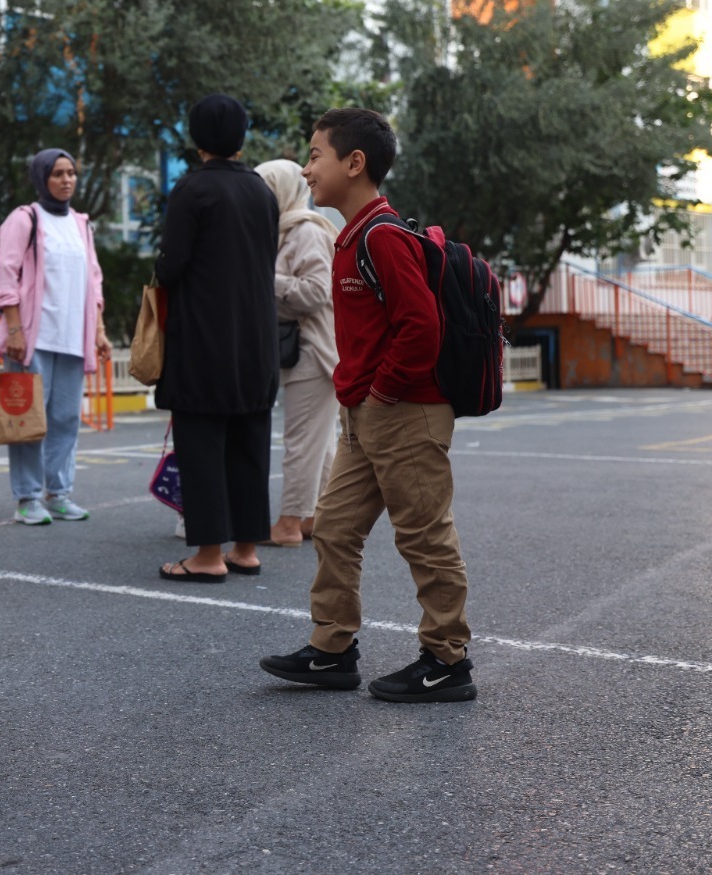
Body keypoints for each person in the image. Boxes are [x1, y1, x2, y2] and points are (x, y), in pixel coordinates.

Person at [259, 108, 475, 703]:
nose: (307, 169)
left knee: (425, 536)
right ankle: (332, 650)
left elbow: (420, 328)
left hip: (403, 410)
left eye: (315, 155)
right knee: (333, 527)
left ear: (355, 164)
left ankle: (447, 661)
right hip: (367, 411)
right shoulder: (351, 233)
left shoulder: (381, 235)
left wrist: (380, 393)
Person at [153, 95, 279, 580]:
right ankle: (245, 548)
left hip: (205, 336)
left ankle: (207, 555)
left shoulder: (193, 189)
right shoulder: (261, 191)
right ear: (242, 136)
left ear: (196, 136)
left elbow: (172, 266)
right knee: (250, 441)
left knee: (201, 443)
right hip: (256, 337)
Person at [0, 149, 109, 525]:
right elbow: (5, 277)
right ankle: (27, 497)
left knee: (65, 418)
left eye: (71, 173)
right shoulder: (25, 219)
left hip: (73, 336)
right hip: (32, 337)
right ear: (42, 178)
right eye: (57, 173)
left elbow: (94, 281)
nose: (66, 180)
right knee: (27, 418)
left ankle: (58, 493)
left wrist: (100, 332)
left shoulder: (81, 225)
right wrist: (14, 329)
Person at [254, 159, 341, 548]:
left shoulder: (304, 230)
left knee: (302, 441)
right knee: (320, 442)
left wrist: (260, 279)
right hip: (305, 349)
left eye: (265, 189)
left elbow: (315, 291)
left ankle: (289, 523)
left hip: (314, 349)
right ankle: (315, 519)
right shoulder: (282, 231)